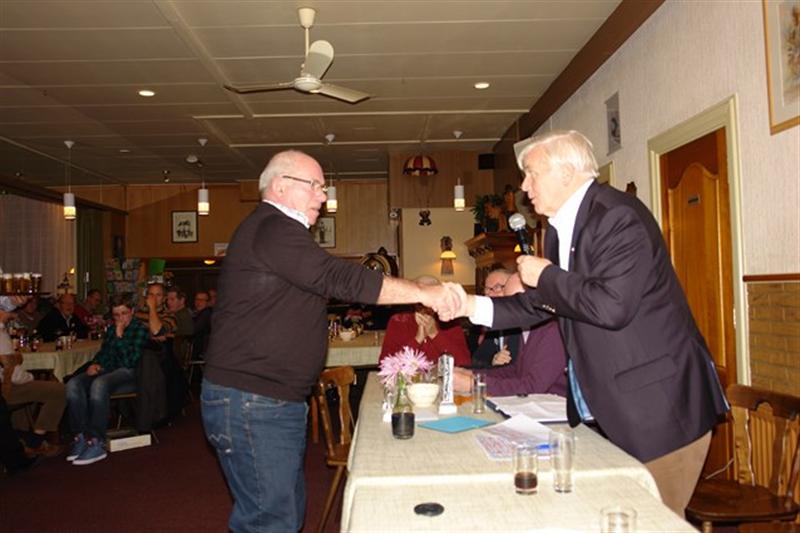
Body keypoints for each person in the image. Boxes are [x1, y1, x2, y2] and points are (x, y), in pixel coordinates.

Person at [440, 130, 728, 516]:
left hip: (661, 410)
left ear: (566, 172)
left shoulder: (617, 217)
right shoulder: (561, 231)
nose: (524, 187)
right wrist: (469, 305)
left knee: (651, 521)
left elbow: (611, 306)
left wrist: (546, 275)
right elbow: (541, 305)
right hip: (617, 412)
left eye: (532, 173)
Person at [201, 149, 456, 533]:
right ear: (280, 186)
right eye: (315, 186)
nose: (323, 196)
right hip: (253, 399)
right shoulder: (273, 227)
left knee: (283, 513)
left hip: (263, 399)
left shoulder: (274, 231)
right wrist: (424, 292)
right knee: (270, 521)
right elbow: (339, 278)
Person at [64, 294, 149, 466]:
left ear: (132, 312)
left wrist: (120, 337)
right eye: (116, 315)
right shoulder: (111, 329)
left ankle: (97, 440)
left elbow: (129, 361)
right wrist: (96, 363)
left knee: (99, 384)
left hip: (130, 374)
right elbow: (105, 353)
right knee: (74, 384)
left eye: (124, 313)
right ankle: (80, 436)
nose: (120, 318)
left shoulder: (140, 329)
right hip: (109, 370)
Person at [454, 274, 567, 397]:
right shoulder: (525, 328)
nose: (509, 309)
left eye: (515, 302)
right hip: (534, 403)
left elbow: (534, 386)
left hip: (556, 405)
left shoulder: (553, 330)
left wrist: (473, 384)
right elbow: (515, 371)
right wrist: (471, 374)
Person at [0, 315, 66, 458]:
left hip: (6, 387)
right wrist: (31, 377)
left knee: (29, 390)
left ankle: (22, 438)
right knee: (59, 390)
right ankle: (36, 441)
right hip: (5, 390)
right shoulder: (1, 336)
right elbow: (14, 375)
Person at [379, 276, 470, 367]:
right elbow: (386, 365)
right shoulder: (398, 321)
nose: (426, 304)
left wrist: (435, 334)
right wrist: (417, 340)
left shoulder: (450, 321)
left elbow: (464, 363)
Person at [470, 268, 519, 368]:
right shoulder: (493, 324)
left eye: (497, 287)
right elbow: (476, 361)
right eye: (487, 289)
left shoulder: (524, 325)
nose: (490, 294)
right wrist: (492, 362)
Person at [191, 291, 212, 358]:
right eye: (197, 299)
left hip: (202, 352)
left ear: (208, 302)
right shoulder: (197, 314)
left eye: (202, 300)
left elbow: (193, 329)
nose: (198, 302)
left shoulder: (206, 313)